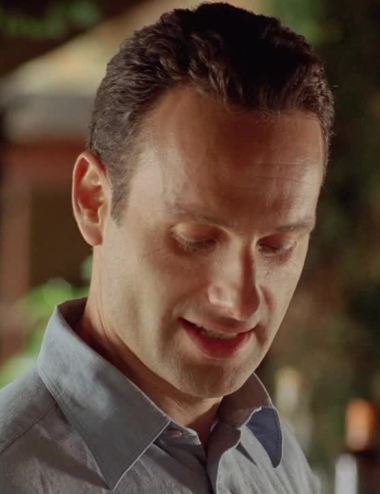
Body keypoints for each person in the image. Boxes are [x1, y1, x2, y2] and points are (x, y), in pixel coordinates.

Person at [0, 3, 332, 493]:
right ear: (94, 201)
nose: (240, 302)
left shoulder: (278, 464)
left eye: (278, 245)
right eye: (197, 240)